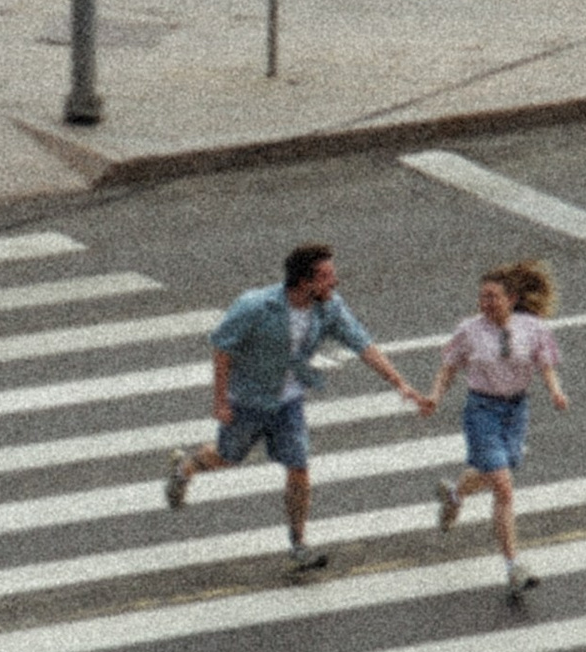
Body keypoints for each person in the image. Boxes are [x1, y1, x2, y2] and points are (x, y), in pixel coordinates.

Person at [164, 241, 424, 575]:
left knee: (299, 467)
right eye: (327, 276)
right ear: (305, 282)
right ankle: (184, 468)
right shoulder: (256, 306)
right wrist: (220, 400)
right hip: (249, 401)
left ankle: (299, 544)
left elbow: (360, 341)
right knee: (227, 456)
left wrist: (398, 381)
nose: (335, 282)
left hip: (289, 403)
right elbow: (221, 347)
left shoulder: (328, 308)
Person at [426, 258, 568, 596]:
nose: (486, 303)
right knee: (503, 486)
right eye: (483, 297)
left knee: (493, 473)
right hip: (482, 410)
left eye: (493, 297)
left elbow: (545, 364)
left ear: (512, 299)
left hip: (516, 411)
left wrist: (555, 391)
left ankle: (455, 495)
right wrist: (434, 396)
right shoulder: (469, 330)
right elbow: (449, 366)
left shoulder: (532, 329)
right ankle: (513, 566)